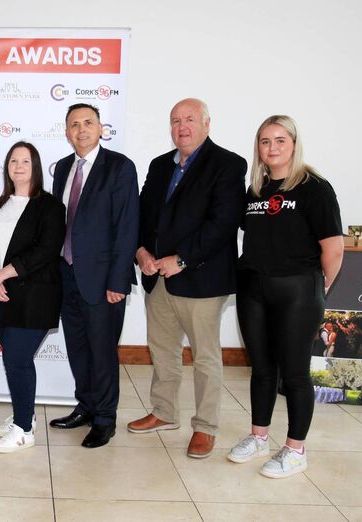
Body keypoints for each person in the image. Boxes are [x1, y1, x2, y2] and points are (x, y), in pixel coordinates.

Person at [128, 98, 246, 459]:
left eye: (190, 119)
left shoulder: (227, 164)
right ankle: (164, 412)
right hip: (157, 278)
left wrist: (181, 259)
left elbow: (223, 222)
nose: (182, 126)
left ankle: (205, 427)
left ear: (207, 124)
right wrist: (141, 252)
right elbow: (143, 214)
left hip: (200, 278)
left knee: (206, 357)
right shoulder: (160, 165)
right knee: (163, 351)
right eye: (176, 120)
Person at [228, 115, 343, 478]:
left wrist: (316, 289)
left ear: (293, 143)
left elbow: (334, 249)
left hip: (297, 291)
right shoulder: (256, 191)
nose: (272, 148)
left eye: (280, 140)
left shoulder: (315, 188)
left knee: (294, 373)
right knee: (262, 368)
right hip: (253, 288)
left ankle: (296, 449)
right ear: (258, 148)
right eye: (265, 141)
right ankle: (259, 436)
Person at [49, 103, 139, 448]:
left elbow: (127, 227)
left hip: (103, 282)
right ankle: (85, 406)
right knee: (78, 348)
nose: (81, 129)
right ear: (67, 132)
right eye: (74, 124)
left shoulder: (119, 167)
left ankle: (104, 418)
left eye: (88, 123)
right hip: (67, 275)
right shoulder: (63, 170)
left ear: (101, 128)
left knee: (102, 352)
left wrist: (118, 281)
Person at [0, 142, 66, 453]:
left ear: (35, 166)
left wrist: (2, 274)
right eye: (13, 160)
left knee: (17, 360)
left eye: (25, 160)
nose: (19, 166)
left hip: (35, 297)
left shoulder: (51, 207)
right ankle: (23, 415)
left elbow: (45, 250)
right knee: (16, 361)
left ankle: (24, 430)